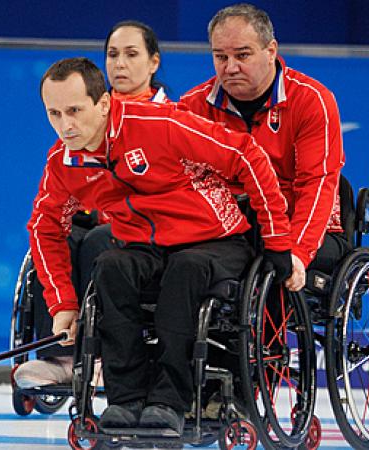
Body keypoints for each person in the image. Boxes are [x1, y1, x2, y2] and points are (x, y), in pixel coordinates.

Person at [30, 57, 295, 434]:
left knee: (184, 270)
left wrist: (277, 241)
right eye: (54, 113)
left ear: (103, 103)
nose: (65, 125)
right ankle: (126, 400)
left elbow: (246, 155)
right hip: (145, 246)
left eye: (75, 110)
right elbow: (45, 226)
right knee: (110, 266)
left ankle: (171, 400)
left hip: (215, 239)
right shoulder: (64, 161)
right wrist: (63, 304)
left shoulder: (158, 123)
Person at [14, 21, 169, 389]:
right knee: (57, 242)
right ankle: (60, 354)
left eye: (132, 55)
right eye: (113, 55)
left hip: (147, 230)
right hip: (95, 218)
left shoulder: (167, 116)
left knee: (101, 241)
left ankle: (100, 352)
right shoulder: (81, 118)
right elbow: (50, 212)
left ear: (153, 63)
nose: (120, 64)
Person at [179, 3, 346, 301]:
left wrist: (297, 251)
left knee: (269, 254)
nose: (230, 67)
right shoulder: (192, 106)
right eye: (220, 57)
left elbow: (317, 184)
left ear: (270, 51)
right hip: (227, 230)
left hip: (299, 226)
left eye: (242, 55)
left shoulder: (312, 100)